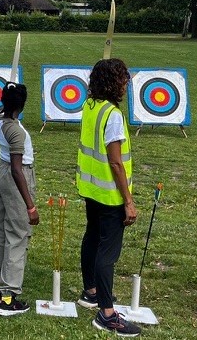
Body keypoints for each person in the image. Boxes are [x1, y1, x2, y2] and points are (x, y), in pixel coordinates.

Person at [75, 58, 141, 337]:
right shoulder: (112, 115)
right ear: (114, 83)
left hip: (91, 190)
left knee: (92, 237)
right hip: (110, 194)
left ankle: (90, 291)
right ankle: (107, 313)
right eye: (123, 80)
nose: (126, 85)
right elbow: (115, 163)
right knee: (107, 252)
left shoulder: (90, 106)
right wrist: (128, 200)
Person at [0, 82, 39, 316]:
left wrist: (9, 92)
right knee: (17, 234)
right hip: (15, 177)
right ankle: (8, 297)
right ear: (22, 105)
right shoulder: (15, 130)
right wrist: (30, 205)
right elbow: (17, 168)